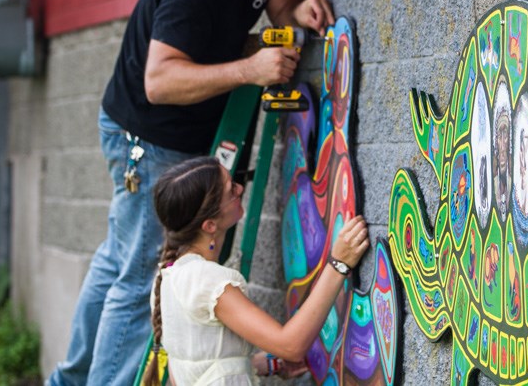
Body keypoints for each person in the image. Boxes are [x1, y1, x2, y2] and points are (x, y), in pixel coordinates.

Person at [47, 0, 334, 385]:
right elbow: (159, 80)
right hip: (149, 138)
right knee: (139, 282)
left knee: (118, 265)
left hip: (159, 133)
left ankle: (66, 381)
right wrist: (249, 69)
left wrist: (302, 11)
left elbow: (283, 6)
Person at [142, 156, 369, 385]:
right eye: (231, 190)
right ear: (210, 225)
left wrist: (258, 363)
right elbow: (291, 346)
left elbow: (192, 366)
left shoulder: (169, 274)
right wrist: (339, 263)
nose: (240, 189)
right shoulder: (207, 282)